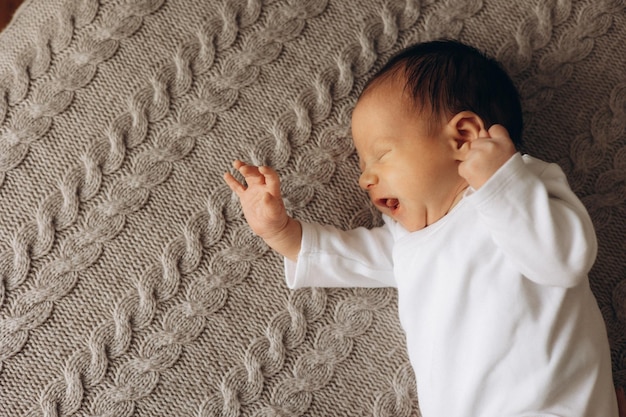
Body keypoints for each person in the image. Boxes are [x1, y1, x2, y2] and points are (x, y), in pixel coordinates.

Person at [223, 40, 619, 417]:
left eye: (380, 155)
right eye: (363, 166)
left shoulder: (523, 186)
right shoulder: (408, 241)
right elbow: (344, 256)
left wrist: (501, 181)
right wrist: (280, 231)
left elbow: (564, 261)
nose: (365, 178)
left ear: (463, 137)